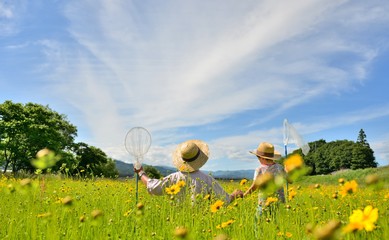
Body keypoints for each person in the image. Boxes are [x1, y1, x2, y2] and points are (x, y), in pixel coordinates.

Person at [134, 139, 243, 204]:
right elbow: (225, 200)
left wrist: (140, 172)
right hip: (200, 227)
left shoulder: (173, 178)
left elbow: (151, 186)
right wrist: (235, 194)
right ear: (199, 158)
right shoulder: (207, 179)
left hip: (177, 228)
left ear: (181, 159)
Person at [244, 142, 285, 215]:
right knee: (277, 223)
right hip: (280, 201)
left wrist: (244, 195)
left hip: (264, 203)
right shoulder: (280, 167)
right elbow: (290, 180)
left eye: (258, 158)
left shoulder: (259, 169)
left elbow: (254, 186)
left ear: (262, 158)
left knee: (258, 222)